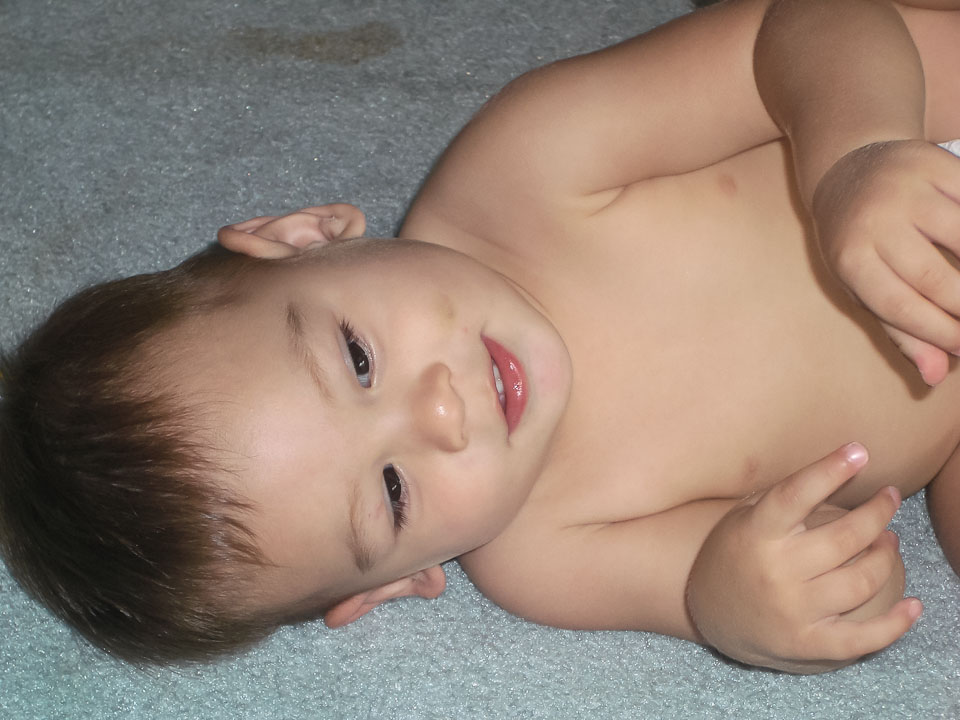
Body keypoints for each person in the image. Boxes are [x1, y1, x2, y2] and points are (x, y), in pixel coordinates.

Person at [2, 0, 960, 674]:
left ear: (303, 237)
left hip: (913, 119)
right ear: (393, 583)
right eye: (392, 490)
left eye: (359, 359)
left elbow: (797, 26)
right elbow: (760, 572)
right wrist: (750, 602)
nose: (441, 412)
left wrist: (856, 157)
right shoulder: (544, 558)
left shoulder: (526, 167)